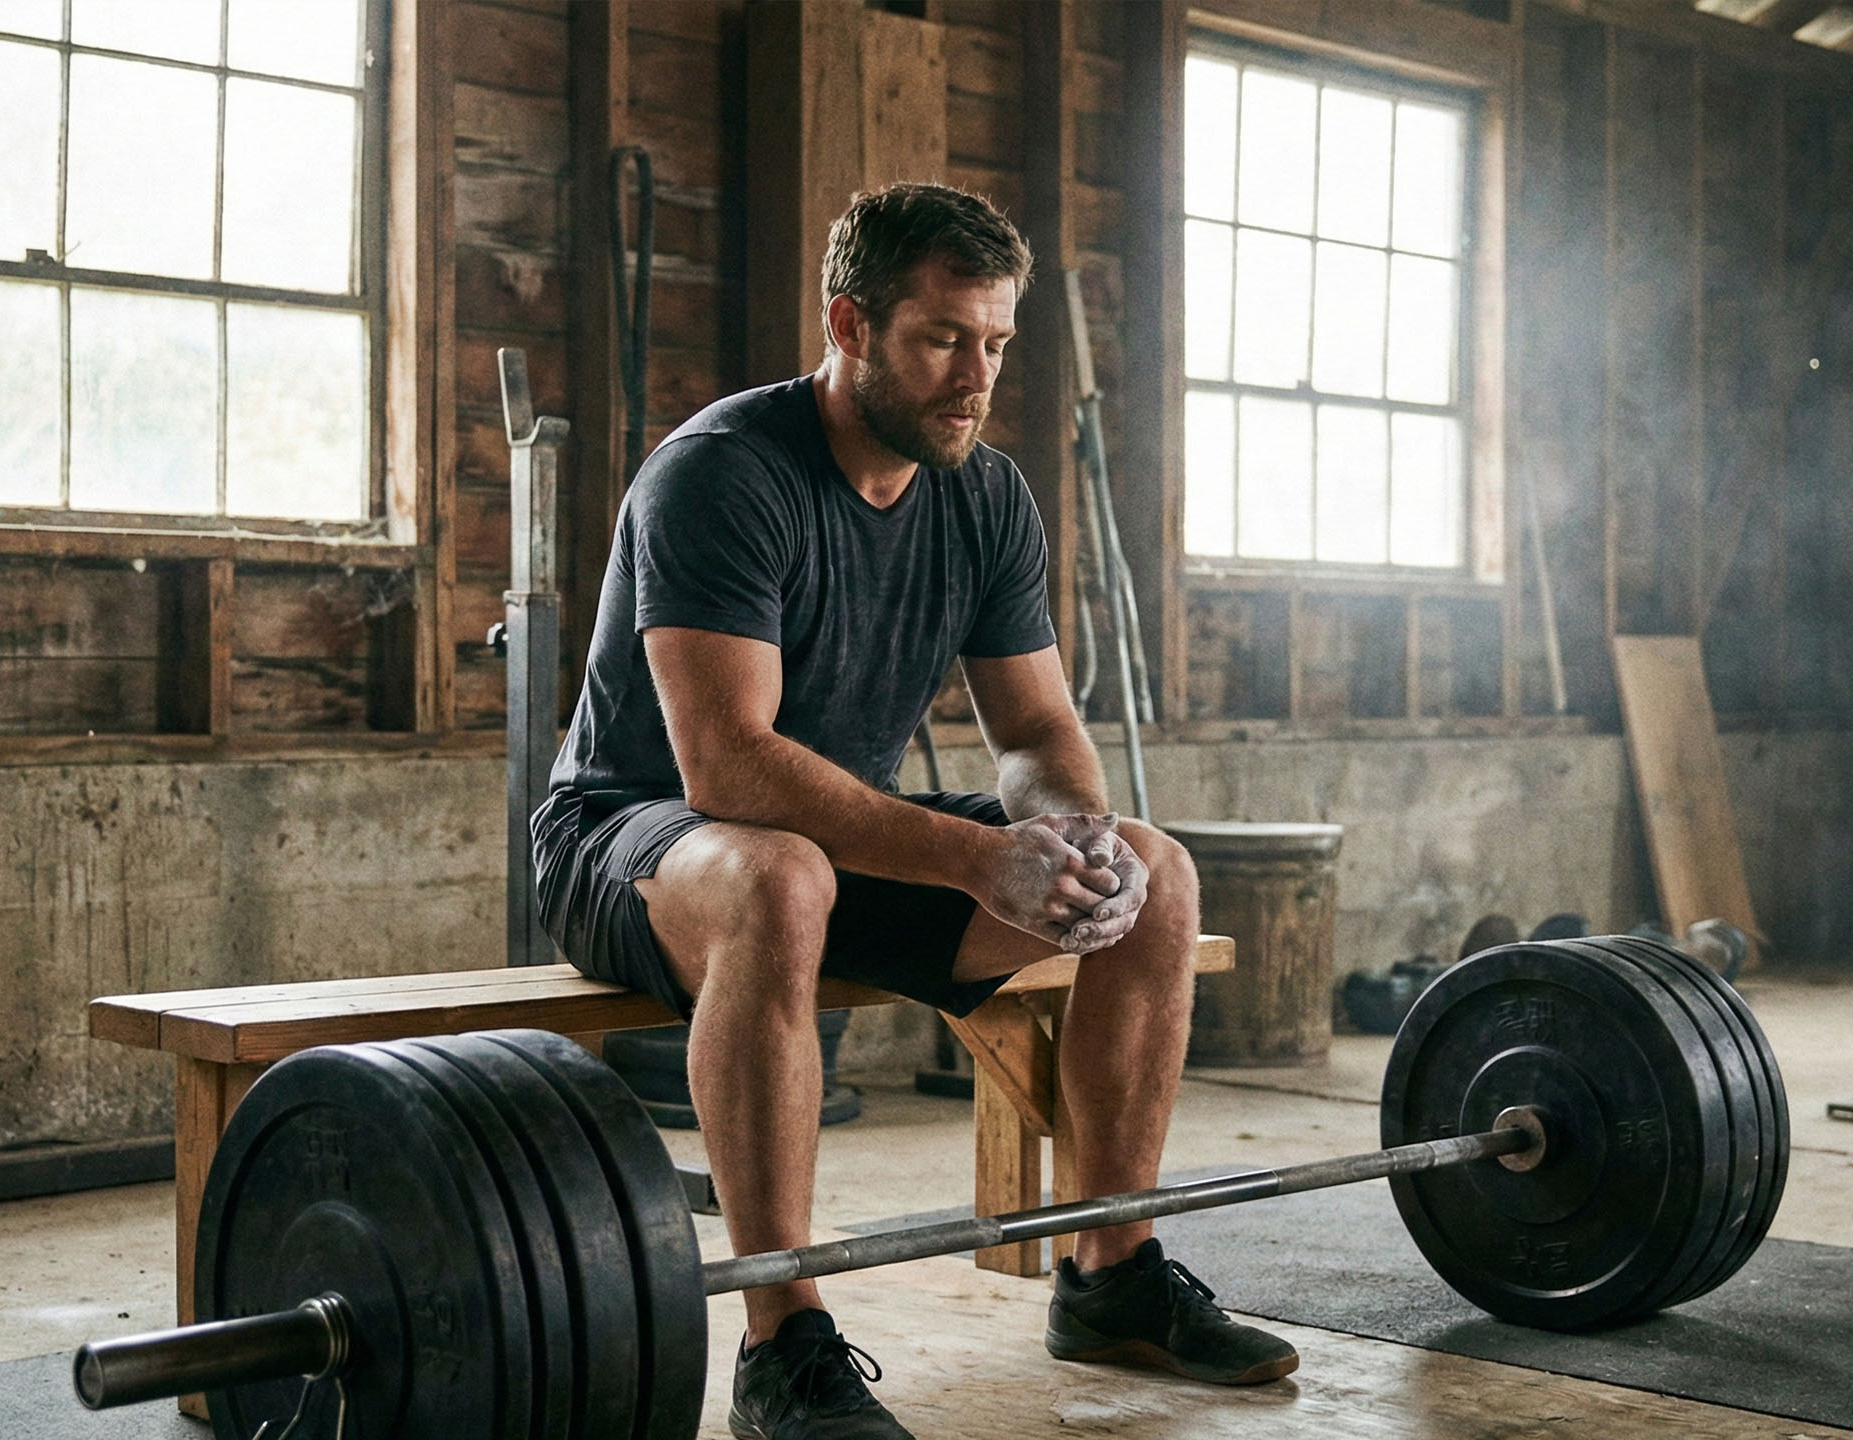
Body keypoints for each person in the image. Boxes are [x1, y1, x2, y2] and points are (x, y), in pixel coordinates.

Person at [533, 183, 1297, 1440]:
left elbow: (1040, 734)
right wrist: (974, 859)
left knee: (1151, 873)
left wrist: (1071, 835)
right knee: (779, 873)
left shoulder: (983, 496)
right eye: (943, 338)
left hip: (828, 844)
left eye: (994, 344)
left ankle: (1111, 1274)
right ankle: (784, 1341)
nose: (973, 376)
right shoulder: (720, 475)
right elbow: (727, 765)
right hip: (629, 841)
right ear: (850, 324)